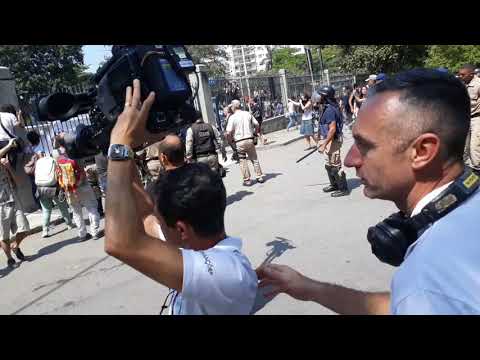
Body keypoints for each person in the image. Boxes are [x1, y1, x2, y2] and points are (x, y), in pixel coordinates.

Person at [257, 69, 480, 315]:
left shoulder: (427, 278)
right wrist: (310, 288)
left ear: (423, 151)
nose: (350, 160)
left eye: (364, 145)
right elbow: (398, 307)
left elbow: (419, 298)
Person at [104, 79, 258, 315]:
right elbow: (145, 213)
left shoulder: (228, 274)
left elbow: (119, 243)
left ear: (182, 230)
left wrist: (118, 144)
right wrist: (129, 150)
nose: (157, 225)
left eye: (162, 223)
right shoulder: (196, 248)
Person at [53, 134, 101, 242]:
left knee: (76, 211)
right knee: (92, 207)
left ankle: (82, 234)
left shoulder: (56, 154)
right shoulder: (76, 152)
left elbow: (55, 146)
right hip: (82, 184)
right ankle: (95, 232)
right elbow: (82, 169)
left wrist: (58, 139)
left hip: (69, 188)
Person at [0, 139, 30, 268]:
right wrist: (8, 145)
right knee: (4, 236)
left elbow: (17, 182)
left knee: (24, 228)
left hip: (14, 199)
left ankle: (16, 246)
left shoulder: (4, 164)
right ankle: (9, 259)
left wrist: (8, 168)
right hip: (1, 205)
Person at [317, 86, 349, 197]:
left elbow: (332, 129)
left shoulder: (330, 109)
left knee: (335, 165)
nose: (318, 97)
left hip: (333, 140)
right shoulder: (327, 107)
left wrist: (324, 144)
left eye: (320, 95)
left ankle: (343, 188)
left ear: (325, 97)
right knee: (329, 165)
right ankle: (334, 184)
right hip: (329, 140)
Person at [227, 99, 265, 186]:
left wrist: (231, 142)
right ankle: (259, 176)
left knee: (242, 160)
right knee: (254, 158)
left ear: (233, 107)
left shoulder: (232, 117)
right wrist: (255, 133)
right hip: (249, 139)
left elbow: (228, 132)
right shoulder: (247, 113)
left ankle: (247, 180)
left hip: (239, 142)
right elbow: (257, 124)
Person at [458, 64, 480, 175]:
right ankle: (468, 171)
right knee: (464, 147)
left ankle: (477, 171)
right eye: (459, 74)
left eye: (463, 75)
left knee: (474, 148)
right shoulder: (463, 84)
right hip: (465, 118)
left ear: (471, 74)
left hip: (477, 119)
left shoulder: (478, 84)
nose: (460, 76)